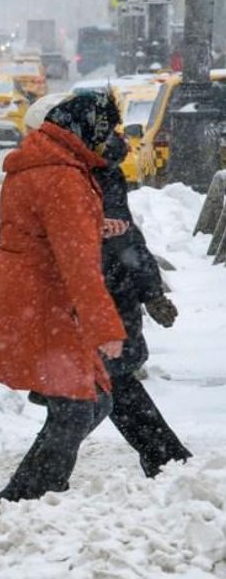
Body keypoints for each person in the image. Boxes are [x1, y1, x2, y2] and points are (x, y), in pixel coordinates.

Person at [0, 91, 127, 517]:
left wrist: (89, 224)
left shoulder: (50, 164)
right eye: (109, 131)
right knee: (79, 404)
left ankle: (36, 493)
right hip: (43, 303)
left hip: (32, 298)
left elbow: (41, 228)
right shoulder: (62, 176)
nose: (112, 140)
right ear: (89, 128)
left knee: (92, 401)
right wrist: (107, 328)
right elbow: (78, 265)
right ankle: (22, 501)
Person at [95, 133, 193, 477]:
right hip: (105, 294)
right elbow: (127, 239)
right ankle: (166, 456)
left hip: (102, 298)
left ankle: (166, 457)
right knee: (105, 387)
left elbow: (123, 238)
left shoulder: (96, 173)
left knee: (102, 388)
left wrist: (151, 291)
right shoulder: (99, 171)